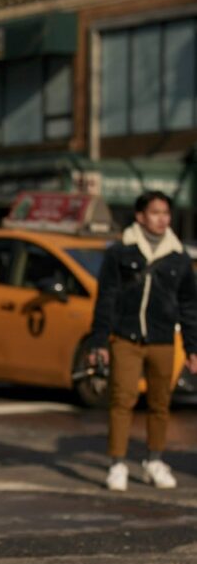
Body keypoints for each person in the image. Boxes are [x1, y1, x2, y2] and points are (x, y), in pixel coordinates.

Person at [90, 190, 197, 492]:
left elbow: (189, 305)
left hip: (164, 340)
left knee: (161, 404)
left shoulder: (178, 257)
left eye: (166, 213)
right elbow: (106, 297)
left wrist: (192, 347)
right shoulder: (120, 252)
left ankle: (154, 460)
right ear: (140, 216)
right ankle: (117, 464)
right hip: (126, 338)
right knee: (122, 401)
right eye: (155, 212)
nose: (162, 218)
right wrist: (100, 340)